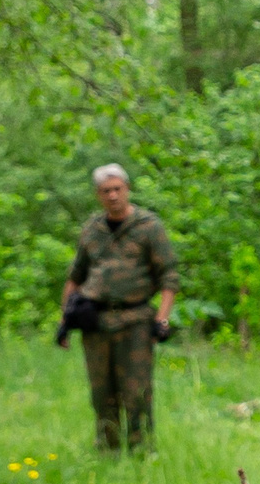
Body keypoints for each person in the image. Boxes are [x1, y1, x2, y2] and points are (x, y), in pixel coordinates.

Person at [64, 164, 180, 452]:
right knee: (102, 391)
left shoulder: (148, 227)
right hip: (96, 321)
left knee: (136, 390)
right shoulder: (92, 230)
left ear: (127, 189)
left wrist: (162, 319)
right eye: (106, 191)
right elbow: (75, 277)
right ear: (98, 195)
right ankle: (108, 447)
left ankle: (142, 448)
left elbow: (169, 276)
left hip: (135, 320)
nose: (113, 196)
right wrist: (64, 322)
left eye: (117, 189)